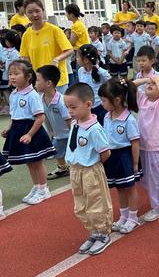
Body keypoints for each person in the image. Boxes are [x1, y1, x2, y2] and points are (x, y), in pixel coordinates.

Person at [64, 83, 113, 255]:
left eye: (73, 107)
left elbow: (105, 152)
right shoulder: (74, 124)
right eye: (67, 107)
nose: (70, 111)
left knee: (96, 202)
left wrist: (92, 163)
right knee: (81, 204)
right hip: (75, 170)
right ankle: (93, 231)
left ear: (88, 104)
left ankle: (103, 233)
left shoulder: (94, 129)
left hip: (90, 170)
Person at [2, 60, 56, 205]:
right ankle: (37, 186)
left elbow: (40, 117)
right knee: (29, 162)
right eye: (10, 74)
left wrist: (30, 134)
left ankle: (44, 189)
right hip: (18, 130)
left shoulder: (32, 95)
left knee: (37, 162)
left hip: (32, 131)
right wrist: (10, 128)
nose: (12, 77)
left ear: (28, 76)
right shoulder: (14, 94)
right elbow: (14, 115)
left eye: (16, 74)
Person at [99, 79, 141, 234]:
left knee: (129, 188)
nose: (101, 103)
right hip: (112, 157)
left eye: (104, 100)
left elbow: (135, 142)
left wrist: (135, 163)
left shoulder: (129, 119)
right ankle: (123, 216)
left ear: (116, 100)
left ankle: (133, 218)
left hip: (125, 156)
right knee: (119, 188)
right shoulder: (106, 116)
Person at [133, 74, 159, 222]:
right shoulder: (142, 100)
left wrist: (158, 80)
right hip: (143, 146)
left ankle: (158, 208)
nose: (150, 86)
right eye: (150, 84)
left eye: (154, 85)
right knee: (146, 179)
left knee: (156, 180)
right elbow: (131, 85)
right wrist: (148, 80)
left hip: (156, 148)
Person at [19, 0, 73, 93]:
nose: (34, 15)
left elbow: (69, 50)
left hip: (57, 80)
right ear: (26, 14)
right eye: (30, 12)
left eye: (37, 11)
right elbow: (25, 57)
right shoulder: (27, 34)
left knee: (61, 107)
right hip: (39, 82)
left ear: (43, 11)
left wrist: (57, 59)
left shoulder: (54, 30)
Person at [36, 65, 71, 180]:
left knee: (73, 152)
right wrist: (50, 132)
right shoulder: (42, 98)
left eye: (37, 80)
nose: (35, 82)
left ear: (48, 83)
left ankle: (76, 168)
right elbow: (45, 116)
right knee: (57, 151)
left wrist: (73, 134)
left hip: (69, 133)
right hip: (58, 134)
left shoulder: (61, 101)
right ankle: (63, 168)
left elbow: (68, 120)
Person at [77, 44, 111, 125]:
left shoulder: (100, 72)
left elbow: (110, 80)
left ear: (85, 60)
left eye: (78, 57)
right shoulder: (80, 71)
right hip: (87, 107)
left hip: (100, 106)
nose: (77, 59)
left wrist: (97, 67)